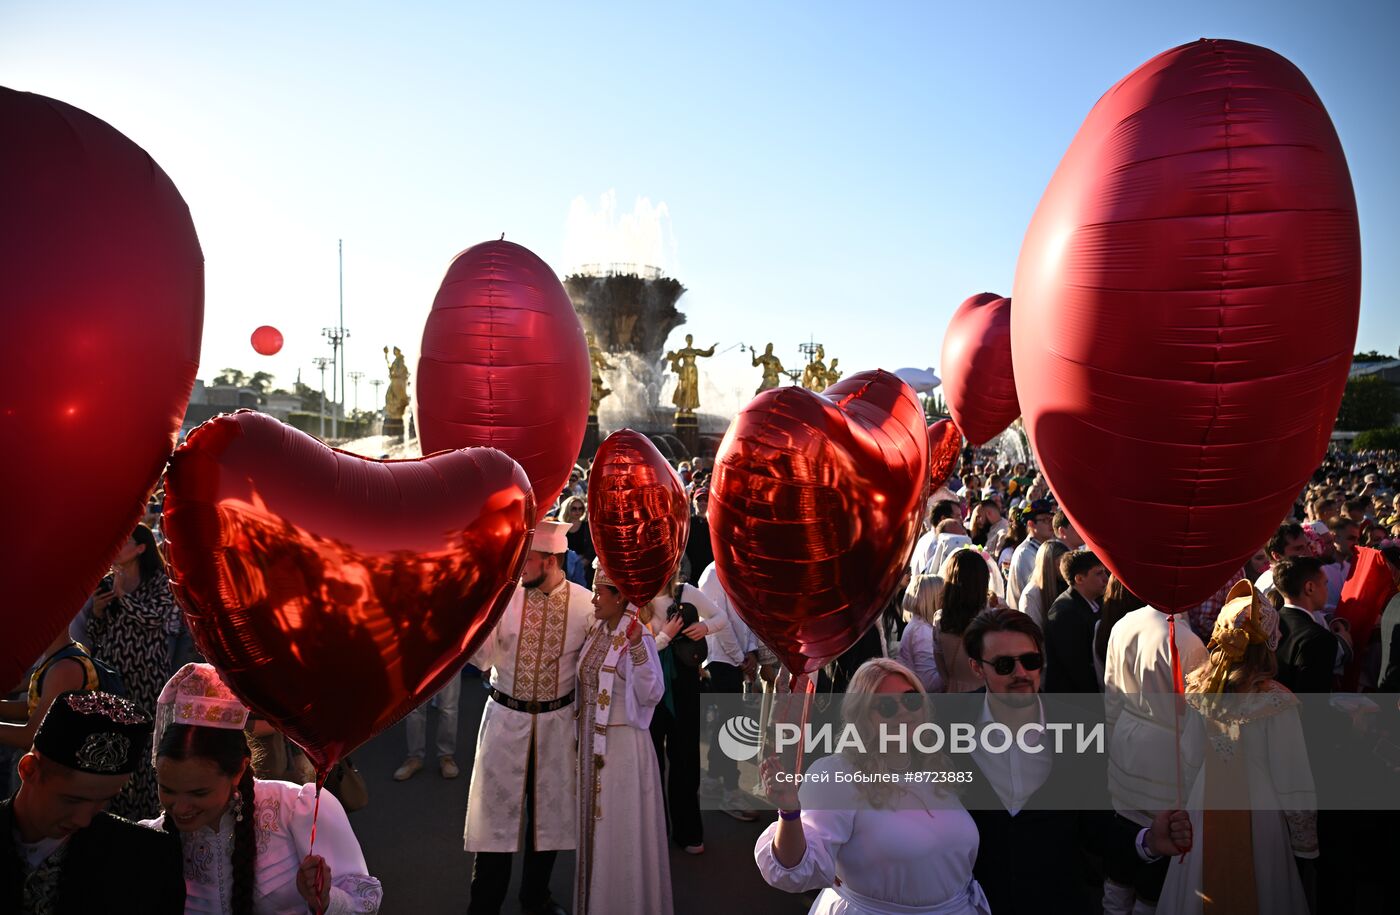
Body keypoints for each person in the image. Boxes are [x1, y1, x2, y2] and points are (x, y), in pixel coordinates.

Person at [755, 658, 991, 914]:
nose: (903, 711)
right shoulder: (838, 774)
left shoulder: (937, 765)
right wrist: (790, 814)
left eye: (911, 699)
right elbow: (795, 870)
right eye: (886, 706)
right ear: (863, 717)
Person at [142, 664, 382, 914]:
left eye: (198, 793)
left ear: (238, 771)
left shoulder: (295, 810)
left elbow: (363, 901)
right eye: (168, 790)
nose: (180, 807)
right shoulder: (148, 840)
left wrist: (325, 898)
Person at [1156, 581, 1316, 914]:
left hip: (1205, 803)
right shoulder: (1276, 702)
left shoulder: (1202, 687)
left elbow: (1189, 757)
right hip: (1262, 814)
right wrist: (1304, 844)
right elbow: (1292, 775)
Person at [463, 521, 594, 915]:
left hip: (557, 727)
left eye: (529, 562)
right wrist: (476, 611)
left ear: (552, 561)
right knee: (494, 824)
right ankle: (484, 905)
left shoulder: (586, 606)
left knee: (548, 823)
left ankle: (535, 898)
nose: (521, 570)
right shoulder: (505, 598)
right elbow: (482, 659)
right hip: (505, 721)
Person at [1, 690, 185, 914]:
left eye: (103, 801)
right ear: (28, 770)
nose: (83, 819)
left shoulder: (144, 858)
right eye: (72, 800)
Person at [1103, 584, 1210, 915]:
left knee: (1123, 851)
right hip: (1167, 758)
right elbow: (1197, 716)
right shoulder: (1187, 641)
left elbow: (1110, 693)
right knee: (1157, 860)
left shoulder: (1124, 623)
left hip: (1126, 742)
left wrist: (1112, 745)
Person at [573, 562, 671, 915]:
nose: (595, 598)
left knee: (620, 833)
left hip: (623, 752)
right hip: (595, 747)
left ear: (619, 598)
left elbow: (652, 693)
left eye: (601, 592)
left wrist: (638, 650)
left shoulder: (637, 634)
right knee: (599, 835)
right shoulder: (599, 629)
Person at [78, 522, 183, 819]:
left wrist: (124, 596)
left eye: (124, 543)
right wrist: (98, 612)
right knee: (113, 740)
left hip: (148, 674)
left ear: (140, 548)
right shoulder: (107, 582)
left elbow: (154, 619)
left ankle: (147, 813)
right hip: (112, 673)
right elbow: (97, 634)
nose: (116, 548)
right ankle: (116, 810)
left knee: (146, 741)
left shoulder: (159, 582)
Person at [648, 572, 730, 855]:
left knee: (685, 758)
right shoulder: (634, 596)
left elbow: (721, 618)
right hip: (647, 686)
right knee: (650, 761)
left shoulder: (686, 592)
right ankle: (655, 831)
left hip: (684, 684)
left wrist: (704, 627)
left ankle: (688, 831)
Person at [697, 561, 761, 821]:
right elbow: (717, 623)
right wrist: (740, 657)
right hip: (720, 659)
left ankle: (713, 779)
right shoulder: (713, 573)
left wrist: (753, 651)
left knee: (728, 721)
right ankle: (730, 790)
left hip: (737, 658)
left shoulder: (745, 566)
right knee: (731, 724)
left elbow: (752, 612)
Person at [1274, 556, 1351, 694]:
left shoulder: (1269, 624)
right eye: (1325, 584)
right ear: (1310, 588)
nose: (1327, 590)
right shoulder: (1319, 639)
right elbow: (1314, 705)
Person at [1043, 550, 1108, 693]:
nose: (1106, 578)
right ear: (1079, 579)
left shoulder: (1093, 603)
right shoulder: (1064, 613)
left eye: (1104, 572)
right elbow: (1078, 667)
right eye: (1098, 573)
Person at [935, 551, 992, 693]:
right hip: (986, 694)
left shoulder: (940, 620)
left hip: (954, 694)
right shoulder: (992, 618)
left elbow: (940, 665)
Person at [392, 673, 461, 781]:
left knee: (448, 708)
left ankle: (446, 757)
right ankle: (414, 757)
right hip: (417, 658)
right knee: (414, 708)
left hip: (448, 657)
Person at [896, 573, 944, 693]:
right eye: (943, 596)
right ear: (933, 599)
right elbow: (928, 683)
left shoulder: (919, 626)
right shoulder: (922, 631)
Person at [1006, 499, 1054, 608]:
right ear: (1031, 524)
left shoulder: (1043, 547)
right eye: (1046, 520)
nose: (1051, 523)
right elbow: (1034, 596)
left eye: (1052, 519)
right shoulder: (1025, 554)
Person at [1018, 539, 1070, 630]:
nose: (1065, 568)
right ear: (1048, 565)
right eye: (1060, 564)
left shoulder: (1066, 587)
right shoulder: (1031, 595)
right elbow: (1034, 634)